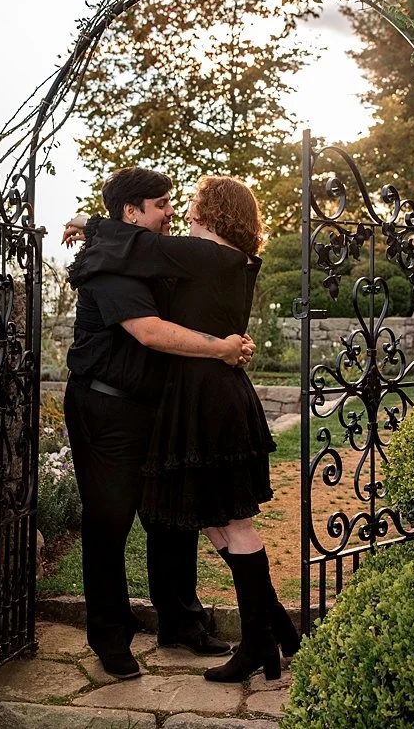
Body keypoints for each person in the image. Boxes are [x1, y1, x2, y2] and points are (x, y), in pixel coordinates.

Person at [68, 175, 299, 683]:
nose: (173, 212)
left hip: (171, 407)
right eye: (162, 204)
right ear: (131, 214)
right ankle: (110, 636)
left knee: (179, 518)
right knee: (109, 522)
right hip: (108, 409)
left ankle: (182, 621)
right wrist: (221, 346)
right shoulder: (110, 264)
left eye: (178, 203)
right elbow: (150, 332)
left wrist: (224, 341)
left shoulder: (167, 257)